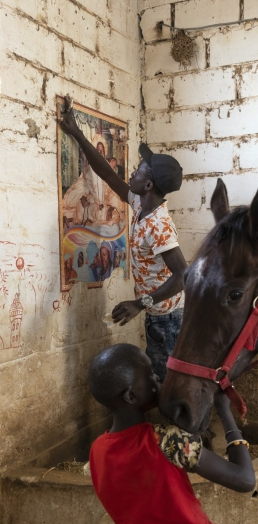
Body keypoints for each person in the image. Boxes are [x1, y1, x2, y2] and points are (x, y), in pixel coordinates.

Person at [88, 344, 255, 524]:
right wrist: (224, 410)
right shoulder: (166, 440)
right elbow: (244, 480)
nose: (157, 377)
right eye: (149, 375)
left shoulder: (98, 450)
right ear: (131, 396)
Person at [60, 95, 187, 381]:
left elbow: (182, 276)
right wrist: (77, 132)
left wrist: (140, 304)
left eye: (139, 169)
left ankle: (180, 427)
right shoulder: (142, 204)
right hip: (159, 313)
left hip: (168, 317)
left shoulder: (159, 225)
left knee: (167, 383)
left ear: (149, 183)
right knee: (161, 378)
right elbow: (106, 173)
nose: (132, 170)